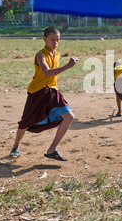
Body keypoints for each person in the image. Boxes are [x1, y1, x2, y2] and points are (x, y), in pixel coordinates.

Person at [9, 26, 78, 161]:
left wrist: (65, 66)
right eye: (52, 39)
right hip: (37, 92)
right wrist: (67, 66)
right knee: (25, 122)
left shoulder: (57, 55)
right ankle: (15, 147)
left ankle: (52, 149)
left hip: (52, 91)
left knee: (69, 116)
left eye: (57, 40)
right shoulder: (40, 55)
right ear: (44, 39)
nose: (55, 43)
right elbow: (46, 73)